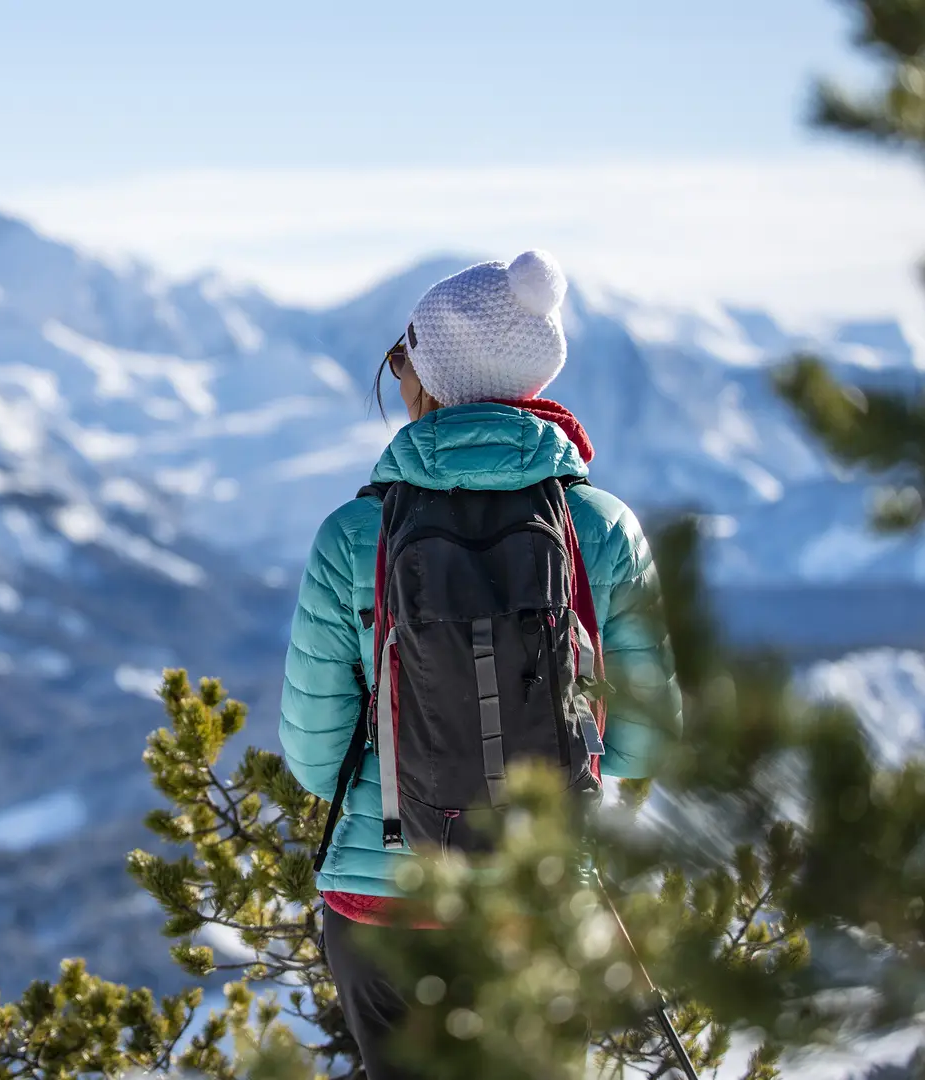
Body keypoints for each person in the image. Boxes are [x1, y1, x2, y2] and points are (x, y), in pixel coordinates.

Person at [277, 250, 683, 1078]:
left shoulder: (355, 535)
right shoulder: (600, 527)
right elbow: (643, 743)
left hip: (383, 904)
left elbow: (318, 760)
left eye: (403, 358)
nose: (398, 375)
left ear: (431, 374)